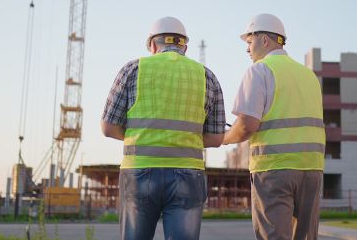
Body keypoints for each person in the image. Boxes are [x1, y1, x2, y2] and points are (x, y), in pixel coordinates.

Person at [101, 16, 225, 240]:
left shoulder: (132, 69)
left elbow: (108, 128)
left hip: (139, 172)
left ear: (152, 44)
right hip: (188, 174)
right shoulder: (207, 76)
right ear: (184, 47)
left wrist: (139, 136)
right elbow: (216, 139)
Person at [223, 13, 325, 240]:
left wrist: (224, 138)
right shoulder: (308, 76)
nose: (247, 49)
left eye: (249, 42)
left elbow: (247, 125)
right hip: (312, 169)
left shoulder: (259, 71)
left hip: (274, 170)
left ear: (264, 40)